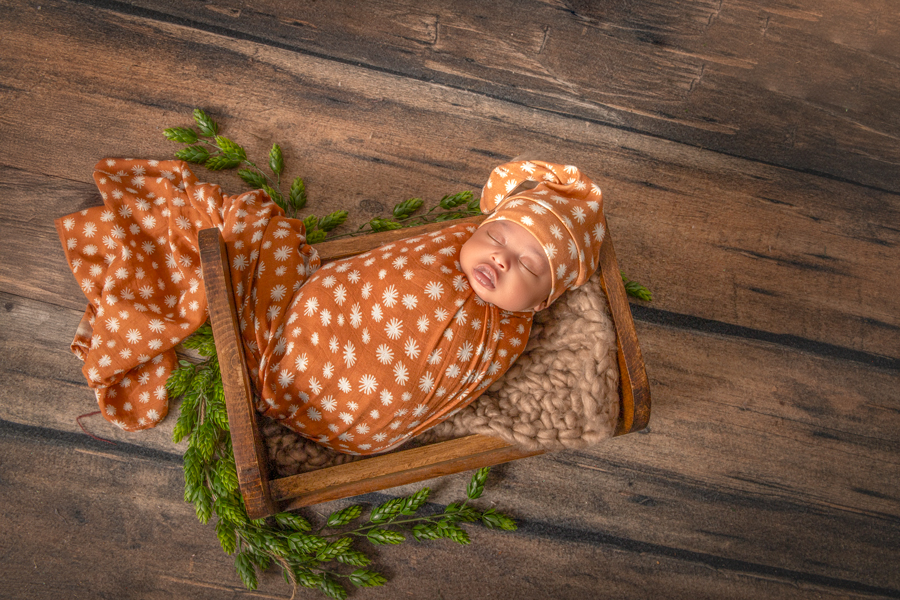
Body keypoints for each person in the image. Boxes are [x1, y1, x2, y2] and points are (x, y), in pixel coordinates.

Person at [55, 158, 604, 454]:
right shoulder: (443, 248)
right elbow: (369, 273)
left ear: (543, 300)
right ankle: (289, 364)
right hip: (312, 326)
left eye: (530, 268)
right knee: (256, 243)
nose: (503, 261)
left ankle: (316, 402)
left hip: (354, 410)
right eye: (499, 238)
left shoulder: (503, 334)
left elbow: (443, 388)